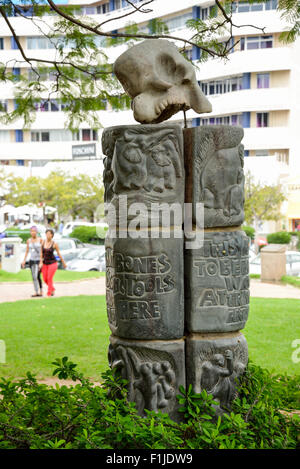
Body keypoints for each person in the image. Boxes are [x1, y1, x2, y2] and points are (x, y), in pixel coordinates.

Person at [40, 229, 67, 297]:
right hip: (45, 263)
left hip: (52, 263)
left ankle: (49, 293)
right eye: (47, 234)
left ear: (52, 235)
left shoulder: (54, 244)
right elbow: (41, 253)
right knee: (45, 279)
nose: (48, 235)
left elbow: (58, 254)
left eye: (49, 234)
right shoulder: (43, 242)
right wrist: (40, 262)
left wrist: (63, 263)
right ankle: (52, 289)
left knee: (49, 278)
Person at [22, 226, 43, 297]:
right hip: (31, 260)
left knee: (37, 275)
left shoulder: (40, 240)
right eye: (31, 231)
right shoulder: (28, 241)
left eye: (34, 231)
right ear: (30, 232)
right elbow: (27, 251)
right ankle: (36, 291)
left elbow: (41, 252)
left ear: (36, 232)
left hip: (38, 260)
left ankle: (41, 290)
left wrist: (41, 261)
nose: (33, 233)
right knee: (33, 276)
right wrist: (24, 260)